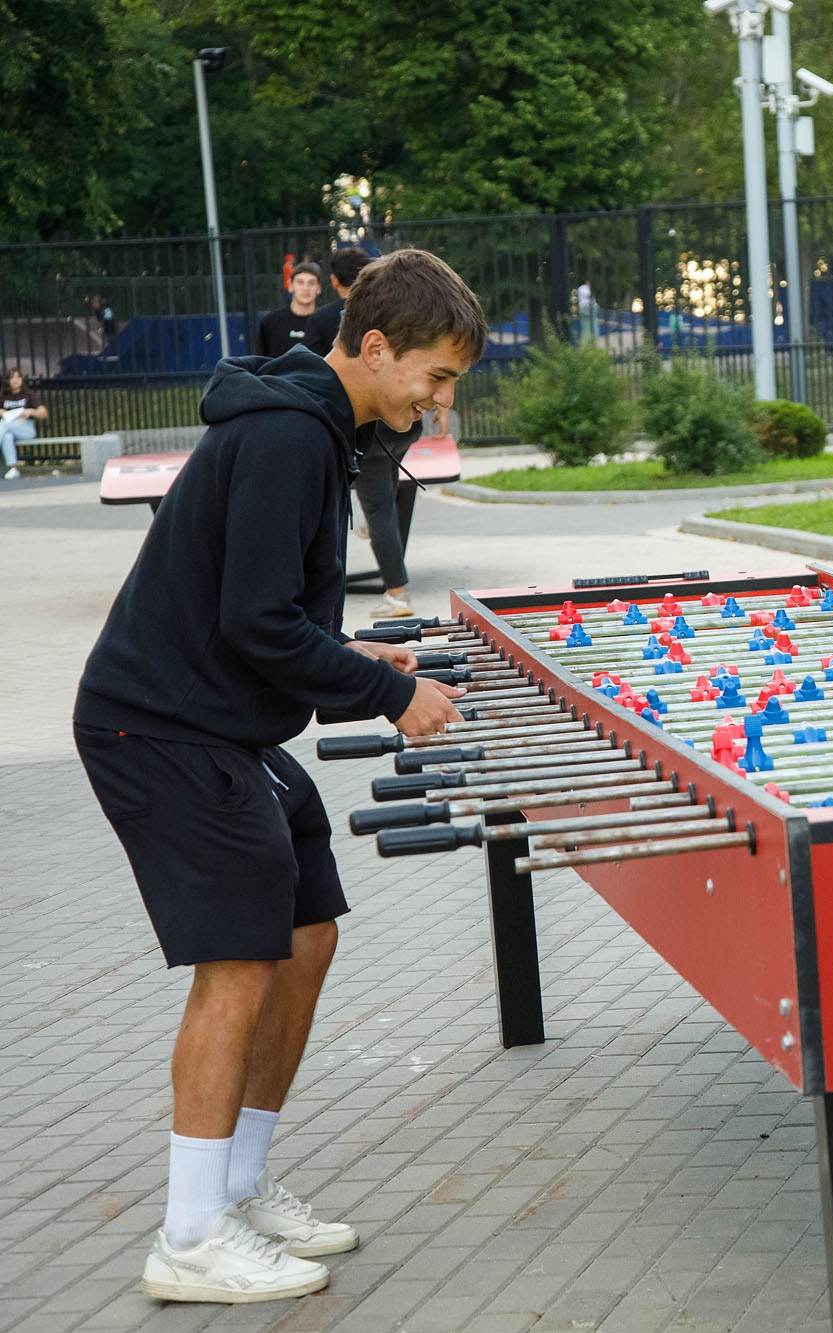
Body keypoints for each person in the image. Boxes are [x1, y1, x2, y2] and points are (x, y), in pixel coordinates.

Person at [72, 248, 484, 1305]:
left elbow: (274, 617)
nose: (438, 407)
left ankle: (237, 1187)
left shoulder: (322, 430)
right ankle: (189, 1235)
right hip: (158, 727)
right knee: (241, 961)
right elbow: (252, 624)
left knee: (307, 933)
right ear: (377, 344)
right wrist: (392, 697)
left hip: (222, 727)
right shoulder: (288, 436)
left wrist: (361, 661)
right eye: (435, 379)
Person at [307, 248, 422, 617]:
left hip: (366, 428)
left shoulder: (328, 320)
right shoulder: (390, 315)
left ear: (334, 282)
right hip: (402, 426)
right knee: (384, 492)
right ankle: (386, 548)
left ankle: (396, 591)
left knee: (378, 508)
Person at [255, 263, 323, 358]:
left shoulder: (325, 322)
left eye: (311, 283)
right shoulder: (271, 323)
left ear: (319, 288)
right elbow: (259, 360)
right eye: (300, 282)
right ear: (290, 286)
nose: (306, 288)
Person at [1, 366, 49, 480]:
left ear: (22, 379)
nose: (15, 380)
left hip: (25, 428)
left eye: (18, 377)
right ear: (8, 380)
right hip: (7, 428)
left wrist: (31, 411)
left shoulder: (28, 395)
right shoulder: (3, 396)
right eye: (12, 377)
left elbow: (44, 413)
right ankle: (13, 469)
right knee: (7, 436)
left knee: (4, 425)